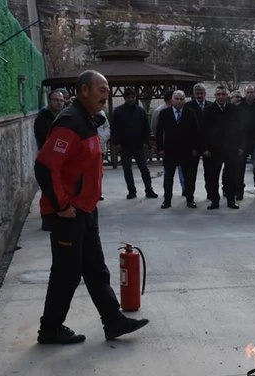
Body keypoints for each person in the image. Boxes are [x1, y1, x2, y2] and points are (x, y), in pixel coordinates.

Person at [34, 70, 149, 344]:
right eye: (101, 89)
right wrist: (61, 205)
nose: (105, 94)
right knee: (67, 273)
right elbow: (46, 166)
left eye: (107, 89)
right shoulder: (70, 122)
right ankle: (49, 328)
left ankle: (113, 321)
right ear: (83, 90)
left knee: (96, 269)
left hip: (85, 210)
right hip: (68, 213)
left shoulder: (88, 121)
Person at [156, 90, 201, 209]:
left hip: (186, 151)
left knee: (188, 178)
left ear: (184, 100)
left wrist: (196, 148)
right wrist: (160, 148)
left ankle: (190, 199)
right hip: (170, 151)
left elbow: (196, 132)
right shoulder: (164, 113)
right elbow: (159, 132)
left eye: (181, 99)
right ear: (172, 100)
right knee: (168, 178)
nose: (179, 101)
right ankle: (167, 200)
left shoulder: (190, 113)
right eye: (177, 99)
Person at [202, 85, 244, 210]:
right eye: (218, 94)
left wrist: (241, 146)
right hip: (213, 150)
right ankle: (215, 200)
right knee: (213, 176)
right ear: (215, 96)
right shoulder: (208, 110)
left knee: (231, 176)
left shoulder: (233, 109)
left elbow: (240, 129)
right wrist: (204, 148)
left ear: (227, 96)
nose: (221, 96)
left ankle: (231, 200)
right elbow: (203, 131)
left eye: (223, 94)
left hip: (231, 148)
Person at [111, 88, 158, 199]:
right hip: (124, 146)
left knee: (144, 169)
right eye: (128, 98)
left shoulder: (140, 111)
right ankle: (132, 191)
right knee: (127, 170)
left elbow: (146, 128)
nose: (131, 99)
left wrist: (146, 142)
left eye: (133, 97)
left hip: (139, 145)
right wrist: (117, 143)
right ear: (125, 98)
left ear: (135, 98)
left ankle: (149, 190)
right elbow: (114, 129)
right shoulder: (118, 111)